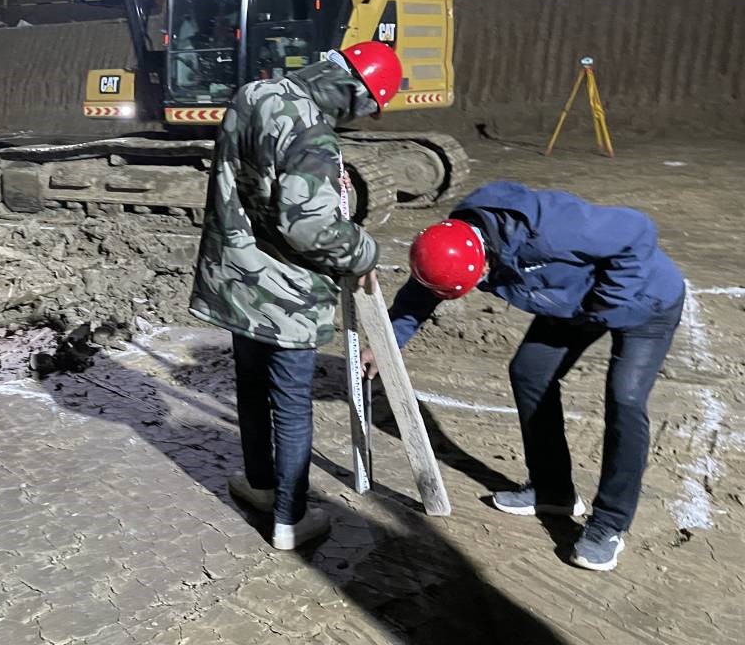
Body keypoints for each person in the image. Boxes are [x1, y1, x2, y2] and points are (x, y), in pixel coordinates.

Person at [366, 182, 685, 571]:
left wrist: (607, 305)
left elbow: (637, 229)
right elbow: (423, 291)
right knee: (529, 372)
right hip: (574, 304)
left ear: (483, 258)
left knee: (625, 399)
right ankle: (552, 489)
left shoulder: (551, 228)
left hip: (644, 302)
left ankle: (609, 524)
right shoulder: (454, 243)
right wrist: (387, 343)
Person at [189, 41, 402, 550]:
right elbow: (309, 229)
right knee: (289, 405)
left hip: (238, 280)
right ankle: (291, 519)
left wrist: (323, 179)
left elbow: (260, 176)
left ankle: (260, 485)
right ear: (354, 93)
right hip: (287, 296)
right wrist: (364, 251)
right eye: (367, 109)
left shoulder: (254, 93)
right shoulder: (313, 134)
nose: (361, 120)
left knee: (250, 386)